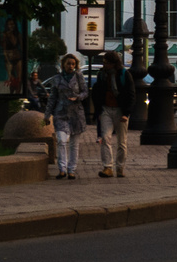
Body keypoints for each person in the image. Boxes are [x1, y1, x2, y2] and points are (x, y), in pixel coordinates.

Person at [43, 54, 88, 180]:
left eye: (73, 64)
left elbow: (85, 92)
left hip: (76, 114)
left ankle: (71, 170)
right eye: (68, 64)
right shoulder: (57, 78)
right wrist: (47, 114)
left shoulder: (78, 76)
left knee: (74, 144)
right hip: (61, 113)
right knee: (61, 140)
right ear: (63, 64)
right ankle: (62, 169)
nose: (71, 66)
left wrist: (78, 97)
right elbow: (52, 97)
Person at [93, 50, 136, 179]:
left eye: (107, 63)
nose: (105, 65)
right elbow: (96, 93)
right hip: (106, 109)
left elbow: (131, 94)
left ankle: (120, 167)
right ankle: (108, 167)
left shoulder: (124, 74)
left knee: (122, 142)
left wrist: (126, 113)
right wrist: (98, 111)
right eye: (104, 62)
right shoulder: (102, 75)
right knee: (105, 137)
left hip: (120, 110)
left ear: (114, 63)